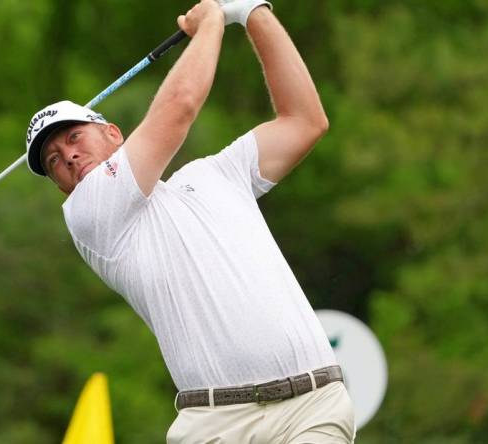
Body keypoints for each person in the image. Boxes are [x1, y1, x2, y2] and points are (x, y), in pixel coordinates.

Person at [24, 0, 355, 442]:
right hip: (215, 424)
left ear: (112, 133)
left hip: (313, 405)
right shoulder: (88, 214)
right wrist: (212, 24)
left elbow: (304, 121)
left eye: (73, 137)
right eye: (53, 161)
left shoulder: (213, 174)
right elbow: (179, 106)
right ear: (60, 186)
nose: (68, 156)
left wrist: (252, 11)